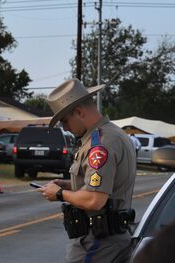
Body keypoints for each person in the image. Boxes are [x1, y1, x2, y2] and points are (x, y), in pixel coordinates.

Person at [36, 79, 136, 263]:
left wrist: (59, 193)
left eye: (65, 120)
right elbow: (104, 183)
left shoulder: (101, 144)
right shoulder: (113, 134)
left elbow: (94, 199)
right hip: (111, 240)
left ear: (79, 112)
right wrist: (67, 184)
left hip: (98, 242)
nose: (65, 127)